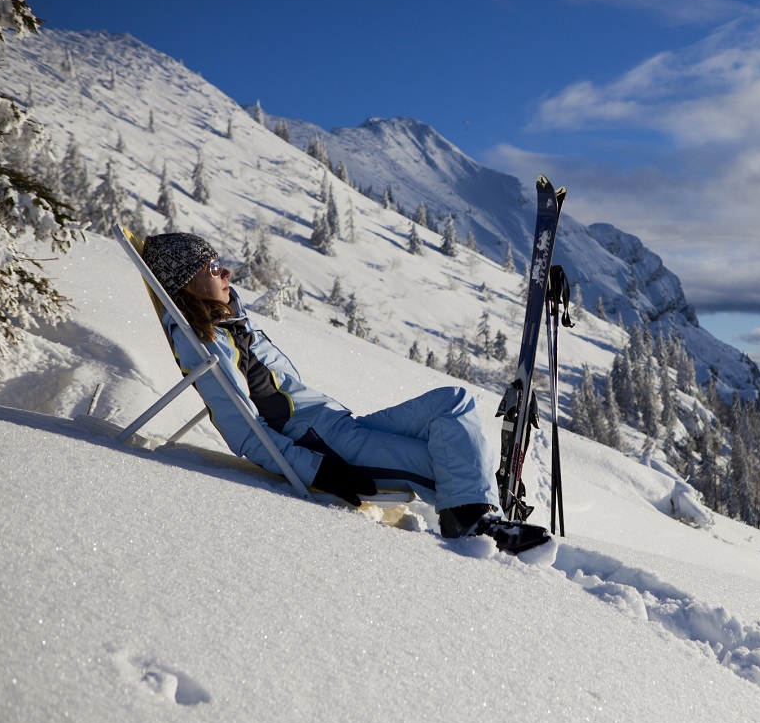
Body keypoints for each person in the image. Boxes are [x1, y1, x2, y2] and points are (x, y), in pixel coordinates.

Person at [141, 231, 549, 554]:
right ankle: (475, 527)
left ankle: (479, 506)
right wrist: (321, 472)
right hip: (330, 449)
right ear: (188, 283)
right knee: (445, 463)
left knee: (454, 401)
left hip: (343, 426)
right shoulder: (206, 345)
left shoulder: (232, 326)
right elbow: (245, 434)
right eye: (213, 267)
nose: (226, 271)